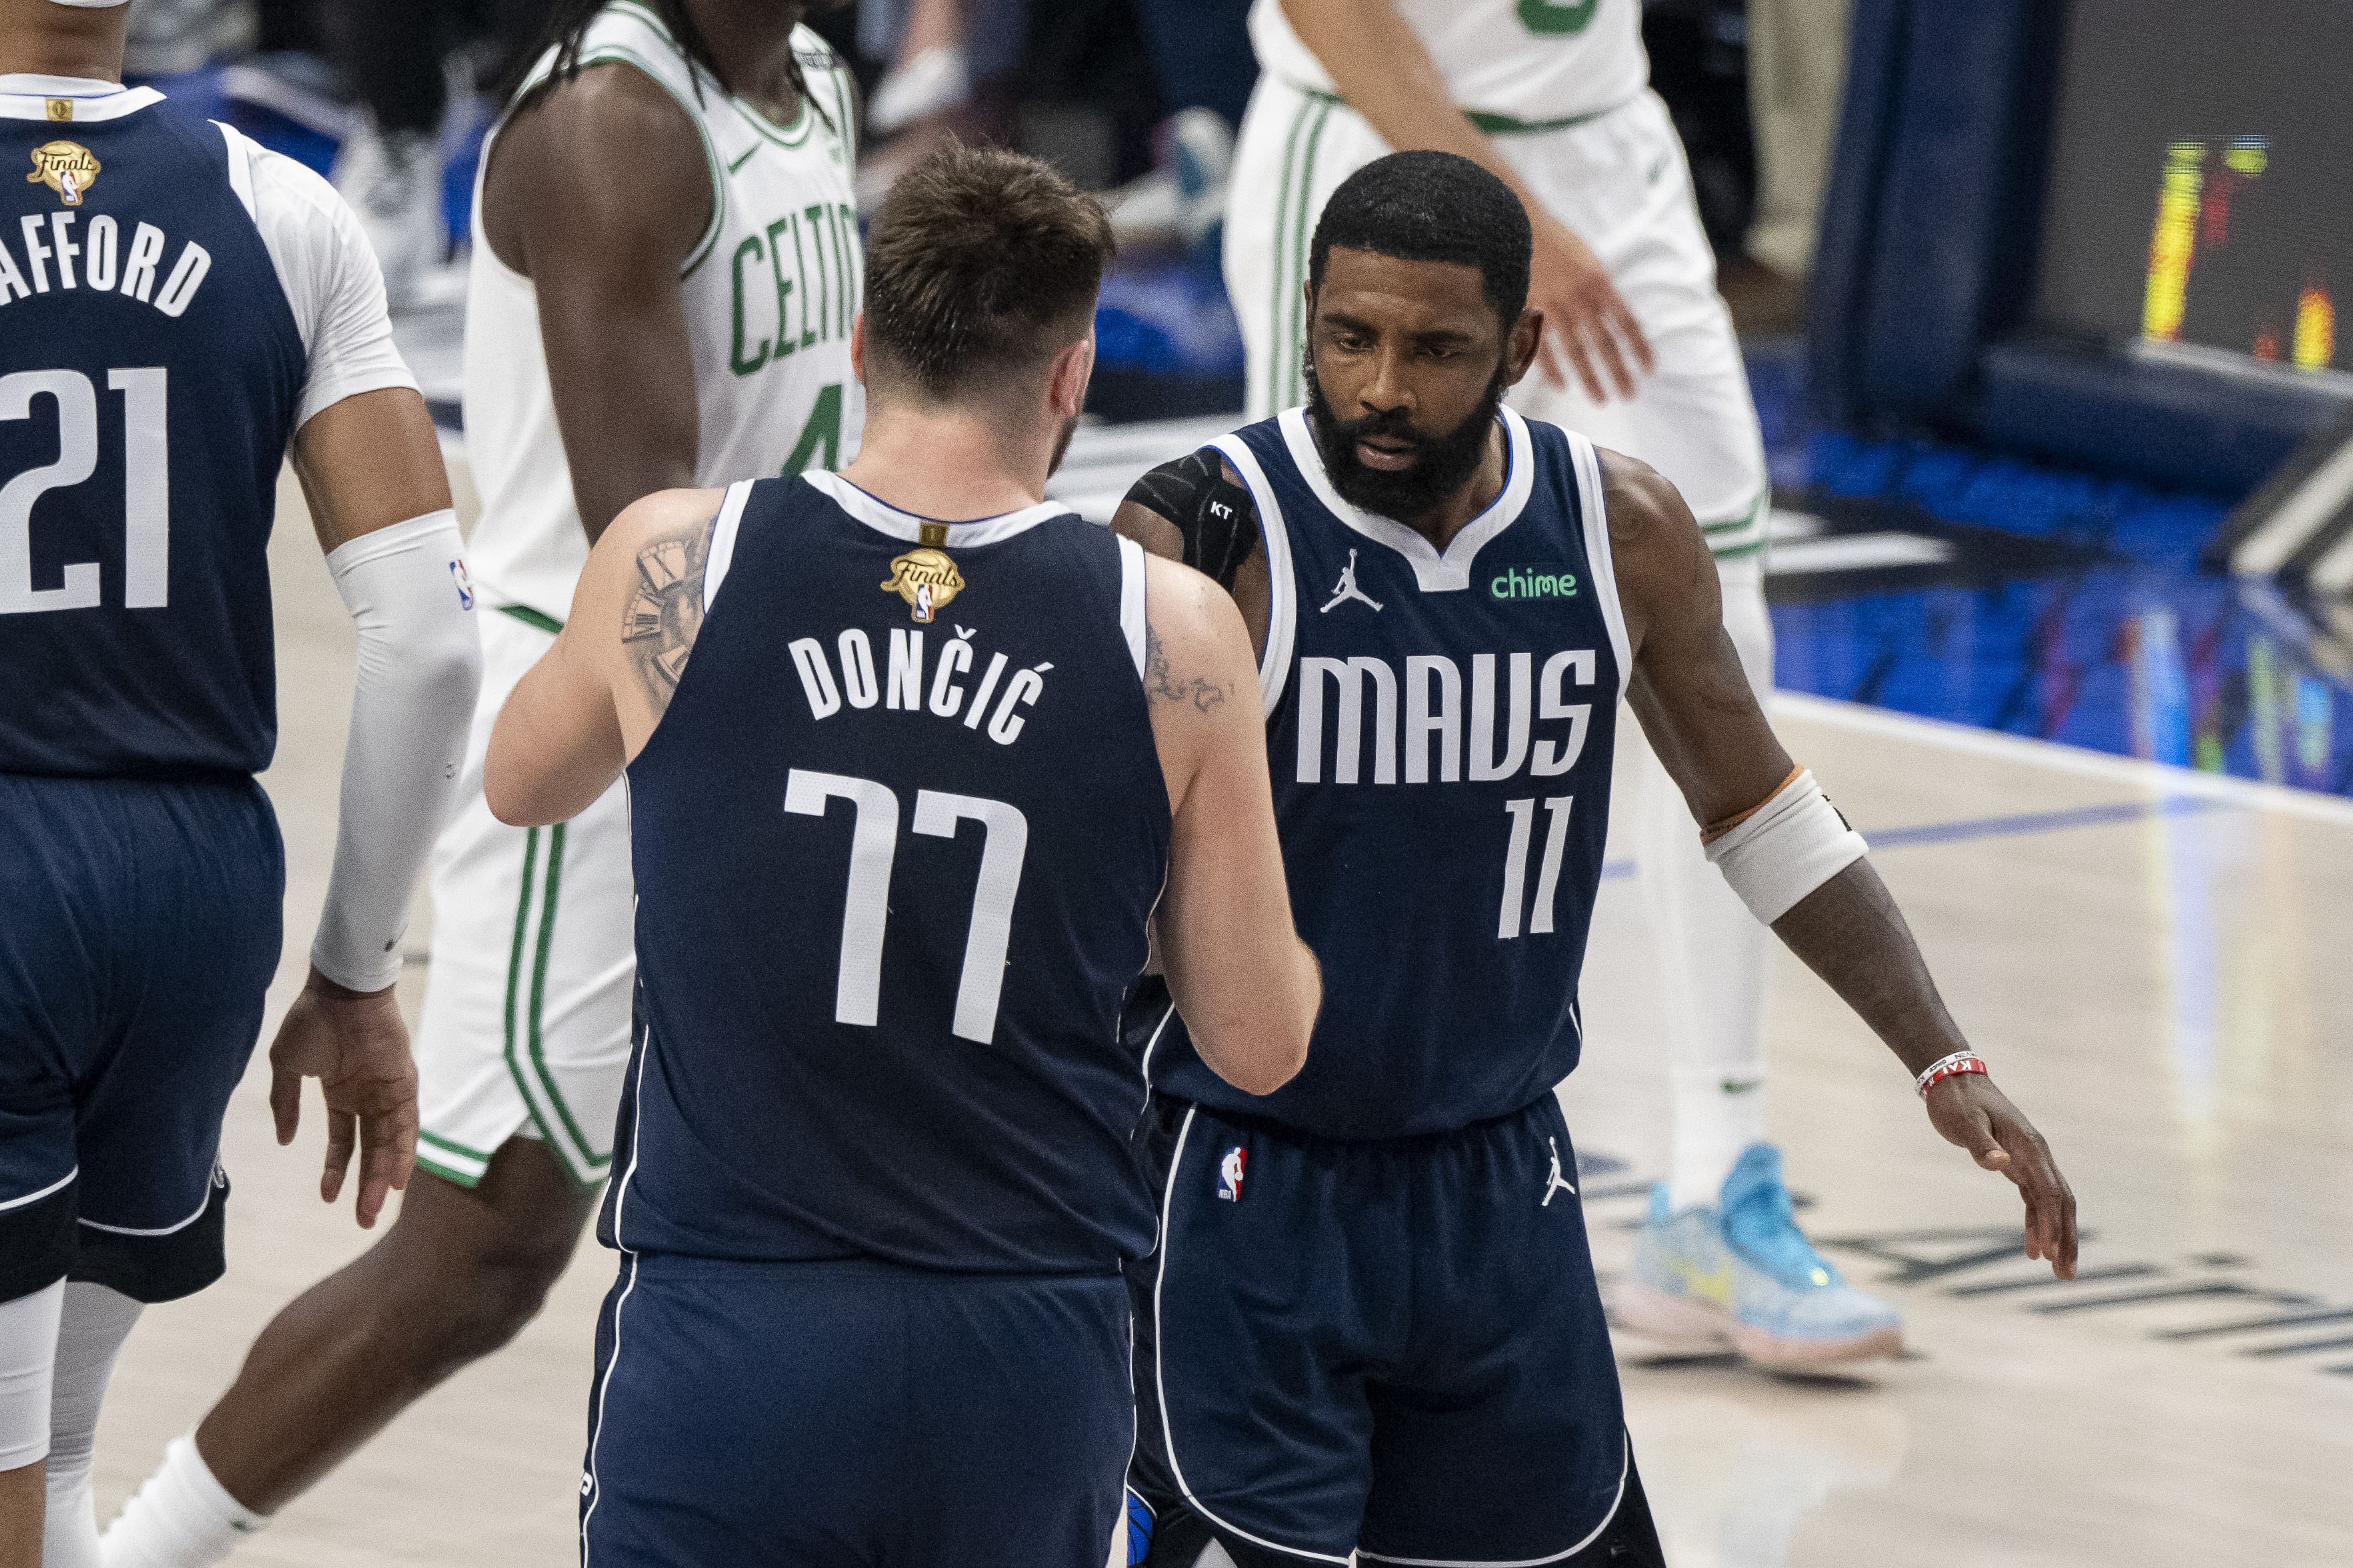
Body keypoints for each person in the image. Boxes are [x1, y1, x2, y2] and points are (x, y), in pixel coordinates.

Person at [1115, 150, 2078, 1567]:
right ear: (1307, 316)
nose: (1381, 387)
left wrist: (1943, 1057)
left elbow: (1760, 813)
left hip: (1502, 1194)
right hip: (1246, 1196)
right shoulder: (1208, 535)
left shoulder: (1617, 530)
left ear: (1522, 345)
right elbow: (1072, 887)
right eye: (1349, 337)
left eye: (1435, 349)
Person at [484, 141, 1321, 1567]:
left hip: (729, 1327)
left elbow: (518, 781)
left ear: (860, 341)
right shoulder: (1172, 631)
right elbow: (1254, 1039)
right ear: (1072, 377)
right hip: (1023, 1338)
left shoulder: (678, 563)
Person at [101, 3, 861, 1563]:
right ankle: (130, 1552)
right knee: (476, 1250)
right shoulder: (611, 130)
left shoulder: (816, 76)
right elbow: (646, 541)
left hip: (781, 706)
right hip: (597, 737)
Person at [1223, 0, 1904, 1368]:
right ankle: (1265, 1148)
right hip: (1384, 165)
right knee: (1314, 672)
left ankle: (1715, 1179)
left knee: (1720, 640)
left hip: (1610, 156)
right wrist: (1513, 223)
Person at [0, 0, 483, 1561]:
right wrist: (354, 973)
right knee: (54, 1466)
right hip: (198, 889)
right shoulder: (287, 207)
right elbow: (428, 642)